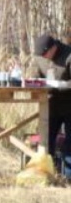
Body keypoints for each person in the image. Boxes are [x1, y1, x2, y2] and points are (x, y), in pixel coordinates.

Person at [23, 33, 71, 167]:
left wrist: (61, 85)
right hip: (50, 104)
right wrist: (33, 82)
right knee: (46, 140)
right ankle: (47, 171)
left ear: (53, 48)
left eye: (45, 55)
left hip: (69, 104)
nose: (44, 58)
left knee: (69, 142)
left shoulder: (68, 55)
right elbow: (34, 75)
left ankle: (68, 177)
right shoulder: (40, 57)